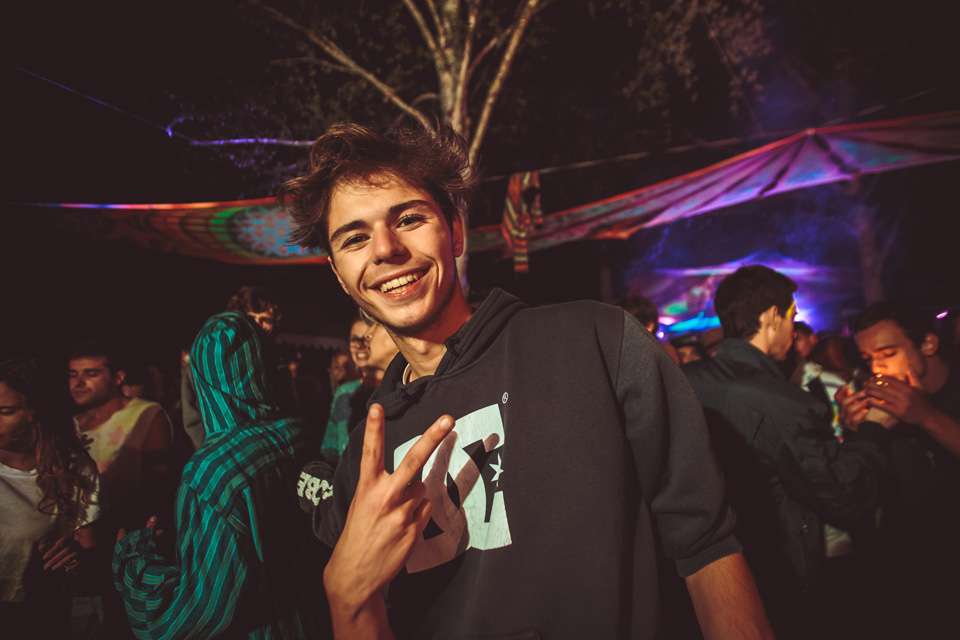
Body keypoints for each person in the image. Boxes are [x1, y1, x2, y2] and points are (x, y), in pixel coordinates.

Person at [281, 122, 771, 639]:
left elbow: (707, 545)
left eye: (409, 218)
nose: (385, 248)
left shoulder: (597, 343)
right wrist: (346, 598)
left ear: (456, 231)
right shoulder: (366, 459)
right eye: (355, 238)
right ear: (339, 274)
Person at [682, 266, 892, 638]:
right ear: (772, 317)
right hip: (781, 577)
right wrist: (872, 429)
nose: (794, 330)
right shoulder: (784, 404)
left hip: (713, 571)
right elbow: (844, 495)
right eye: (792, 317)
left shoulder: (688, 380)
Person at [113, 311, 330, 639]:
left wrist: (135, 560)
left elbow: (201, 611)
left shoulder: (212, 472)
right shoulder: (299, 431)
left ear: (201, 379)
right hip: (318, 623)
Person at [838, 301, 960, 636]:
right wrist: (860, 435)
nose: (877, 367)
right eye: (868, 359)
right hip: (914, 568)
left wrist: (926, 417)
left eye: (888, 353)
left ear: (928, 344)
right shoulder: (879, 400)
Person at [1, 358, 100, 638]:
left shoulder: (73, 470)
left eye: (5, 411)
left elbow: (91, 570)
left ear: (37, 411)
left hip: (39, 617)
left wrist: (75, 558)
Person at [181, 285, 283, 450]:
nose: (258, 324)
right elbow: (192, 419)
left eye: (266, 320)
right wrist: (214, 453)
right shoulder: (205, 361)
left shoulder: (275, 363)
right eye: (251, 318)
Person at [322, 316, 399, 460]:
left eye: (366, 338)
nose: (360, 345)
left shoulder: (399, 389)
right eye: (354, 339)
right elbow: (331, 446)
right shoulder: (344, 392)